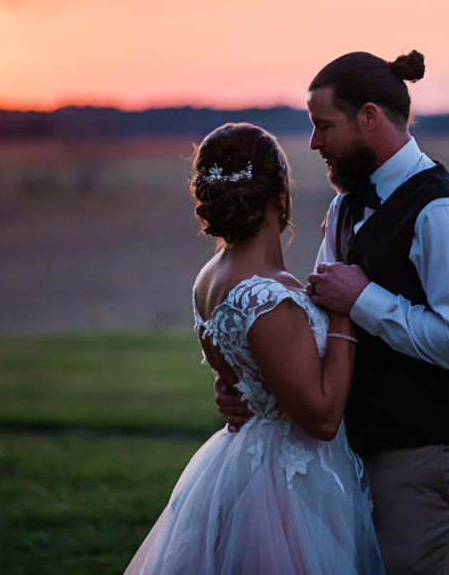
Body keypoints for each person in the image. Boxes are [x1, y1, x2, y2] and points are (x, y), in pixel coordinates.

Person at [217, 51, 449, 574]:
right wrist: (258, 387)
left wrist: (365, 300)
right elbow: (322, 323)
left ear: (368, 116)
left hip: (421, 457)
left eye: (324, 125)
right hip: (348, 454)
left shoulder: (444, 214)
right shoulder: (343, 207)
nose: (314, 142)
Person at [127, 122, 384, 574]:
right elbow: (322, 419)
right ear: (280, 197)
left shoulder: (210, 278)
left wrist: (230, 389)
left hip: (242, 467)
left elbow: (240, 370)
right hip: (288, 488)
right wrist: (344, 313)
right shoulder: (267, 296)